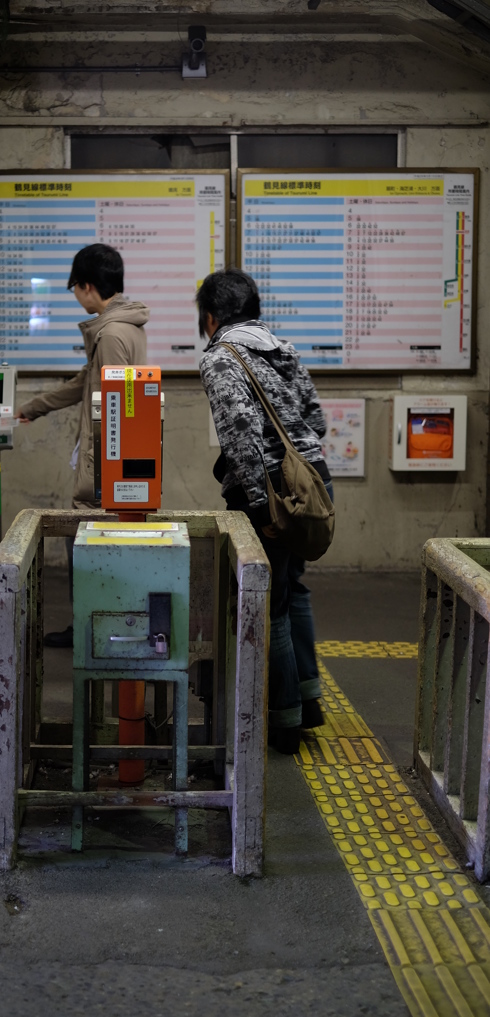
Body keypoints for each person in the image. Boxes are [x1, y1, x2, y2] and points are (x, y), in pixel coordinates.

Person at [197, 268, 333, 755]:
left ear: (210, 317)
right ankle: (310, 700)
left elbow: (241, 438)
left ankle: (284, 722)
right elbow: (315, 421)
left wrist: (262, 506)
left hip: (272, 493)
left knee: (267, 603)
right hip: (311, 482)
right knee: (292, 590)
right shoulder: (283, 347)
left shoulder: (219, 357)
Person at [17, 243, 149, 646]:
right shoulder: (125, 326)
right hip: (110, 457)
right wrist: (35, 408)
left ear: (89, 286)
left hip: (105, 461)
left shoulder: (110, 334)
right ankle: (94, 626)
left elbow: (115, 408)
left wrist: (97, 473)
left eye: (74, 286)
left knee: (89, 542)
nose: (74, 295)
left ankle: (91, 630)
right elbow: (84, 384)